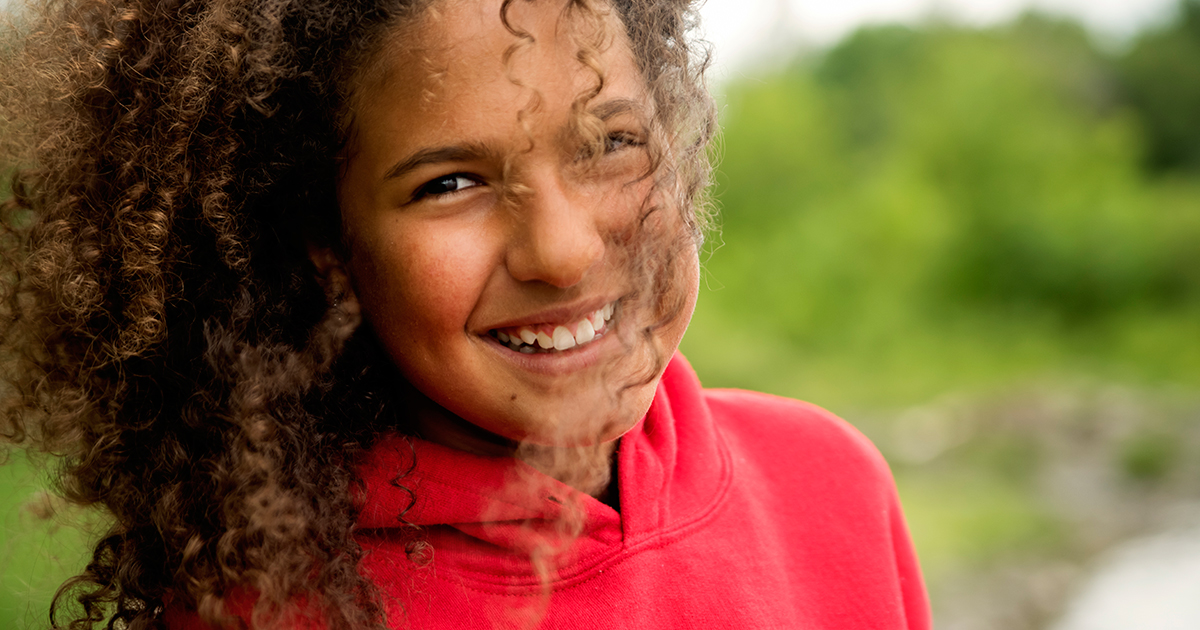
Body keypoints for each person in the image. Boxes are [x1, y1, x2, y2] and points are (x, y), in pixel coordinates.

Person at [0, 0, 931, 628]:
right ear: (329, 248)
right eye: (450, 182)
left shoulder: (830, 484)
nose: (561, 251)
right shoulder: (265, 605)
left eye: (612, 142)